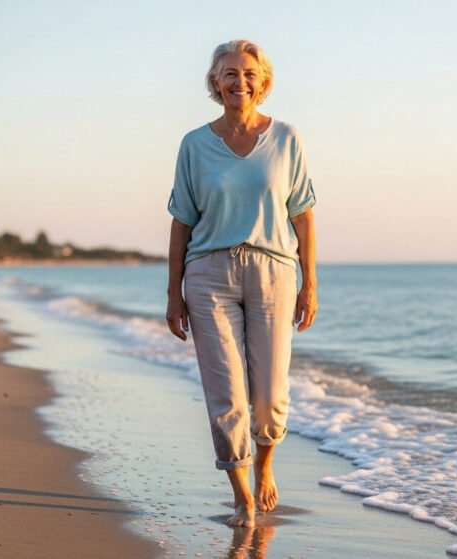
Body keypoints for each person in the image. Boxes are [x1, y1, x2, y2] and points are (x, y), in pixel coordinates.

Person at [165, 39, 318, 529]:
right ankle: (241, 497)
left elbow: (304, 216)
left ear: (263, 81)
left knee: (270, 393)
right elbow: (181, 221)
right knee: (225, 393)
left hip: (274, 272)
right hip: (208, 274)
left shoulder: (287, 138)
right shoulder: (194, 144)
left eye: (250, 73)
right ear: (215, 82)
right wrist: (174, 293)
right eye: (230, 73)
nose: (240, 82)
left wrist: (309, 284)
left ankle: (265, 469)